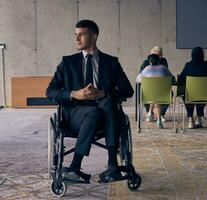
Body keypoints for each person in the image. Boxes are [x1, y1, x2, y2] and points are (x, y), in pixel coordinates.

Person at [46, 20, 134, 183]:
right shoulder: (67, 62)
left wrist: (103, 93)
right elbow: (50, 91)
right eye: (75, 35)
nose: (77, 39)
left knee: (107, 103)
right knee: (93, 112)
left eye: (82, 34)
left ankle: (112, 166)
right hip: (76, 114)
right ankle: (75, 167)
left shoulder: (111, 62)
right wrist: (75, 94)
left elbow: (128, 90)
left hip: (106, 117)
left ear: (94, 37)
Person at [178, 47, 207, 129]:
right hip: (206, 94)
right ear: (202, 55)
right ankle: (199, 118)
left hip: (191, 95)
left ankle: (191, 120)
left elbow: (181, 78)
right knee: (201, 95)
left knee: (186, 95)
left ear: (192, 55)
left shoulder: (188, 65)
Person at [136, 54, 175, 128]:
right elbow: (172, 79)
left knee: (153, 94)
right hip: (163, 95)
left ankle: (150, 113)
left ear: (149, 61)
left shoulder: (146, 69)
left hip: (148, 96)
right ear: (159, 61)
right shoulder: (163, 68)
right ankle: (159, 119)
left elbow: (137, 79)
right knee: (157, 97)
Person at [139, 46, 169, 122]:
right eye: (153, 55)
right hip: (151, 90)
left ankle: (156, 114)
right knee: (149, 93)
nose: (154, 58)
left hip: (160, 90)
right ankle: (152, 113)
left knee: (167, 93)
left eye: (157, 55)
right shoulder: (146, 63)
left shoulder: (163, 62)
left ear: (161, 56)